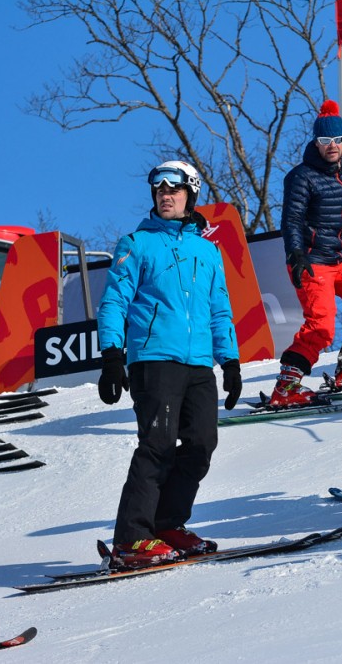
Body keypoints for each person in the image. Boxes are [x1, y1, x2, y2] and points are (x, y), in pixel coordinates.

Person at [97, 160, 242, 569]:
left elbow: (219, 309)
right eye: (159, 189)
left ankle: (167, 524)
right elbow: (114, 302)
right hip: (155, 359)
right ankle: (131, 538)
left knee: (201, 445)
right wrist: (112, 356)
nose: (165, 195)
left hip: (198, 364)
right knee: (158, 445)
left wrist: (230, 361)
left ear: (190, 195)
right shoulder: (137, 244)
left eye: (174, 189)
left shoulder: (207, 251)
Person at [269, 99, 342, 408]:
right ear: (316, 142)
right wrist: (296, 255)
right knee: (322, 325)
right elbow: (292, 220)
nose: (332, 145)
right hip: (311, 261)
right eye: (325, 140)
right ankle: (286, 387)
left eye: (338, 139)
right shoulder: (302, 176)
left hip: (340, 259)